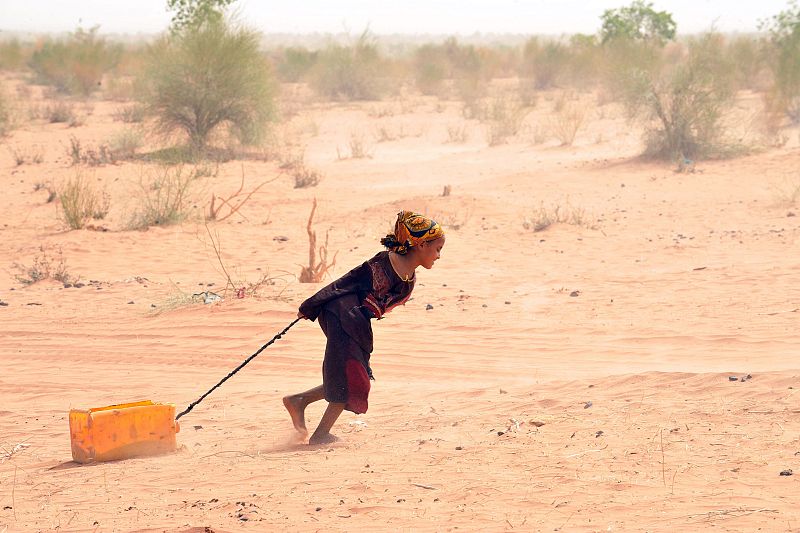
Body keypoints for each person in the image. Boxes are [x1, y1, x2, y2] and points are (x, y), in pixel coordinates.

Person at [283, 211, 446, 445]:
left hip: (355, 320)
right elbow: (344, 282)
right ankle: (320, 435)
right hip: (341, 314)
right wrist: (309, 306)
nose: (439, 256)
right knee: (354, 376)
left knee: (351, 373)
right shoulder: (384, 262)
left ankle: (300, 400)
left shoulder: (408, 275)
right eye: (437, 249)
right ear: (420, 245)